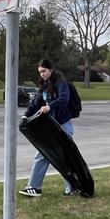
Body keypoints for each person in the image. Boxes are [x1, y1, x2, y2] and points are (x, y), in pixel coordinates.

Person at [19, 58, 78, 197]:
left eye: (44, 71)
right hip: (51, 126)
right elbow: (35, 103)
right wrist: (25, 116)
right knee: (43, 153)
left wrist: (49, 106)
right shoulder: (45, 85)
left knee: (63, 157)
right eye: (40, 72)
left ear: (51, 69)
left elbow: (64, 99)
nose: (42, 74)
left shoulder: (61, 82)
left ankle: (71, 187)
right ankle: (35, 187)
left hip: (63, 125)